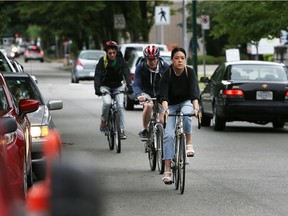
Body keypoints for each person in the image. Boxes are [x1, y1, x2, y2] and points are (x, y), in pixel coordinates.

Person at [158, 47, 200, 184]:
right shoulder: (167, 74)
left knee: (186, 114)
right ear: (172, 60)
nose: (180, 60)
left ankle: (188, 144)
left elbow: (194, 93)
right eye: (177, 58)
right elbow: (163, 95)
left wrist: (196, 108)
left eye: (182, 58)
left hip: (185, 102)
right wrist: (166, 110)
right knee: (168, 135)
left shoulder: (190, 72)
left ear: (185, 59)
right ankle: (168, 170)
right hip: (170, 105)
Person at [94, 40, 133, 139]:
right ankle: (104, 121)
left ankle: (121, 130)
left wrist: (129, 86)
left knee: (120, 106)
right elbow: (97, 75)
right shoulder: (102, 61)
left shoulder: (121, 61)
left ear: (116, 52)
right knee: (107, 103)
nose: (112, 55)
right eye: (110, 53)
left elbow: (126, 74)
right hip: (105, 87)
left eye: (114, 53)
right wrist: (97, 89)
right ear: (106, 53)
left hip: (117, 87)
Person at [132, 45, 170, 143]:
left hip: (160, 93)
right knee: (149, 105)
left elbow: (171, 82)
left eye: (154, 59)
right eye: (149, 59)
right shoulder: (140, 67)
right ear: (145, 59)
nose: (152, 61)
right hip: (146, 92)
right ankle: (145, 129)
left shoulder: (165, 67)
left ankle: (161, 139)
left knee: (161, 120)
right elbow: (136, 83)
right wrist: (138, 95)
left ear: (158, 58)